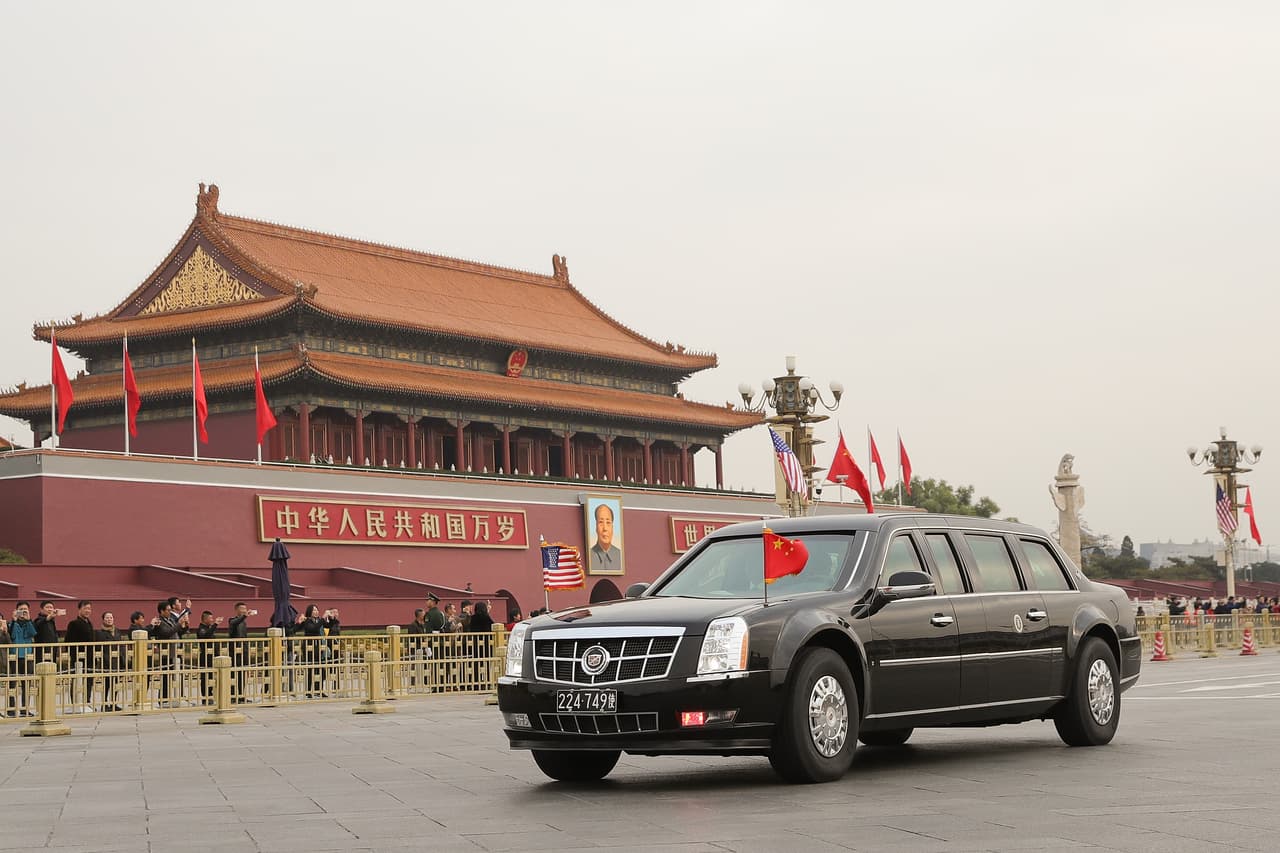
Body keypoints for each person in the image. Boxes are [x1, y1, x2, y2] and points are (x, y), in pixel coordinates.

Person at [63, 600, 96, 713]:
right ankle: (76, 703)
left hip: (90, 657)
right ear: (79, 609)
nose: (88, 611)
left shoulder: (89, 623)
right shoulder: (74, 623)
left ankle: (86, 702)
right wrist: (74, 654)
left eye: (89, 609)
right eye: (85, 608)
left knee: (89, 680)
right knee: (77, 680)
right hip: (78, 657)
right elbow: (68, 642)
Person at [7, 603, 36, 716]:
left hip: (27, 656)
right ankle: (11, 709)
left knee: (26, 683)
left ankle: (25, 709)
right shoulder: (11, 623)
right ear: (16, 611)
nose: (23, 612)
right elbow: (12, 636)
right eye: (21, 610)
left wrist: (28, 620)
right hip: (14, 656)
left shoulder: (30, 623)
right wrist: (14, 620)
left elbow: (33, 634)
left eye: (25, 610)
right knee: (12, 683)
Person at [95, 612, 125, 712]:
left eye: (111, 617)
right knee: (107, 683)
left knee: (115, 683)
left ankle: (113, 703)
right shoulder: (99, 632)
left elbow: (121, 644)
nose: (109, 619)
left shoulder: (117, 631)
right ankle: (105, 703)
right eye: (107, 618)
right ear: (103, 619)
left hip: (117, 660)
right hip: (106, 661)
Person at [195, 610, 219, 702]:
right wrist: (215, 625)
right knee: (205, 677)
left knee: (212, 677)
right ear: (205, 619)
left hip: (212, 655)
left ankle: (211, 695)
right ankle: (206, 697)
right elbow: (205, 636)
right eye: (211, 618)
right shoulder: (201, 629)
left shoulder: (209, 628)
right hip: (205, 656)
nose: (212, 620)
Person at [589, 503, 622, 571]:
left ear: (612, 527)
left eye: (608, 523)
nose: (605, 529)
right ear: (595, 527)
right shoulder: (590, 556)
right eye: (601, 522)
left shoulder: (620, 555)